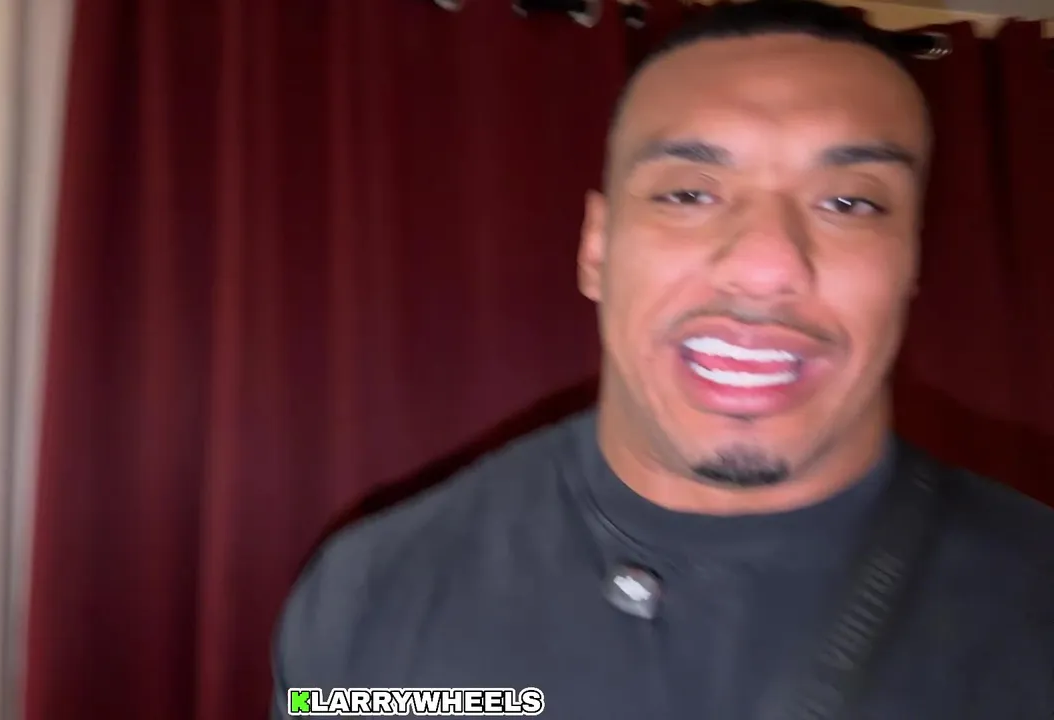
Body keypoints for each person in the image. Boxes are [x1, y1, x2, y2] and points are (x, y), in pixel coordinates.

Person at [270, 1, 1054, 717]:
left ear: (911, 259)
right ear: (596, 248)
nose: (766, 266)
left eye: (849, 202)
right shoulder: (368, 592)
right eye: (688, 194)